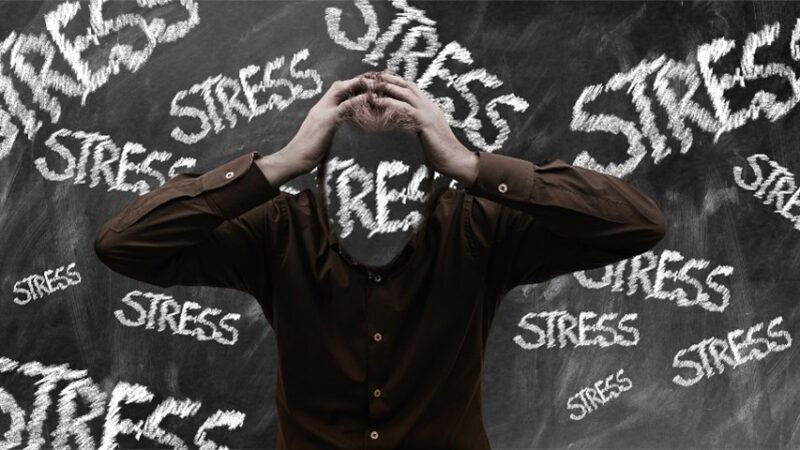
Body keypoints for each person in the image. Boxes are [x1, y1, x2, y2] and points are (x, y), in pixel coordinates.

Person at [94, 70, 667, 449]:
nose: (373, 203)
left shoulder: (475, 227)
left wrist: (472, 166)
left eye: (396, 179)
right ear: (318, 177)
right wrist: (279, 164)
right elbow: (124, 244)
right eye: (350, 178)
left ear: (429, 178)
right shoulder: (281, 230)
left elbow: (638, 223)